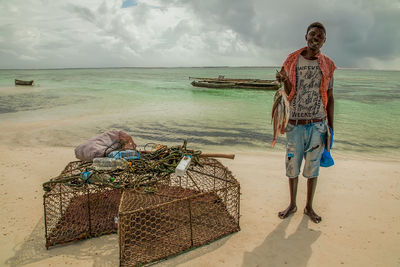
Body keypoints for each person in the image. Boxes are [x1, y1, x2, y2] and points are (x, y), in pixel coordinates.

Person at [275, 22, 336, 223]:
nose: (315, 38)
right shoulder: (292, 61)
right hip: (294, 124)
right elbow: (289, 91)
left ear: (324, 40)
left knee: (313, 168)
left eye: (320, 36)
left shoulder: (327, 64)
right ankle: (292, 204)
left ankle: (309, 207)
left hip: (318, 124)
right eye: (312, 34)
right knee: (292, 165)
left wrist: (331, 126)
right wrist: (282, 79)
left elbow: (330, 95)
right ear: (306, 36)